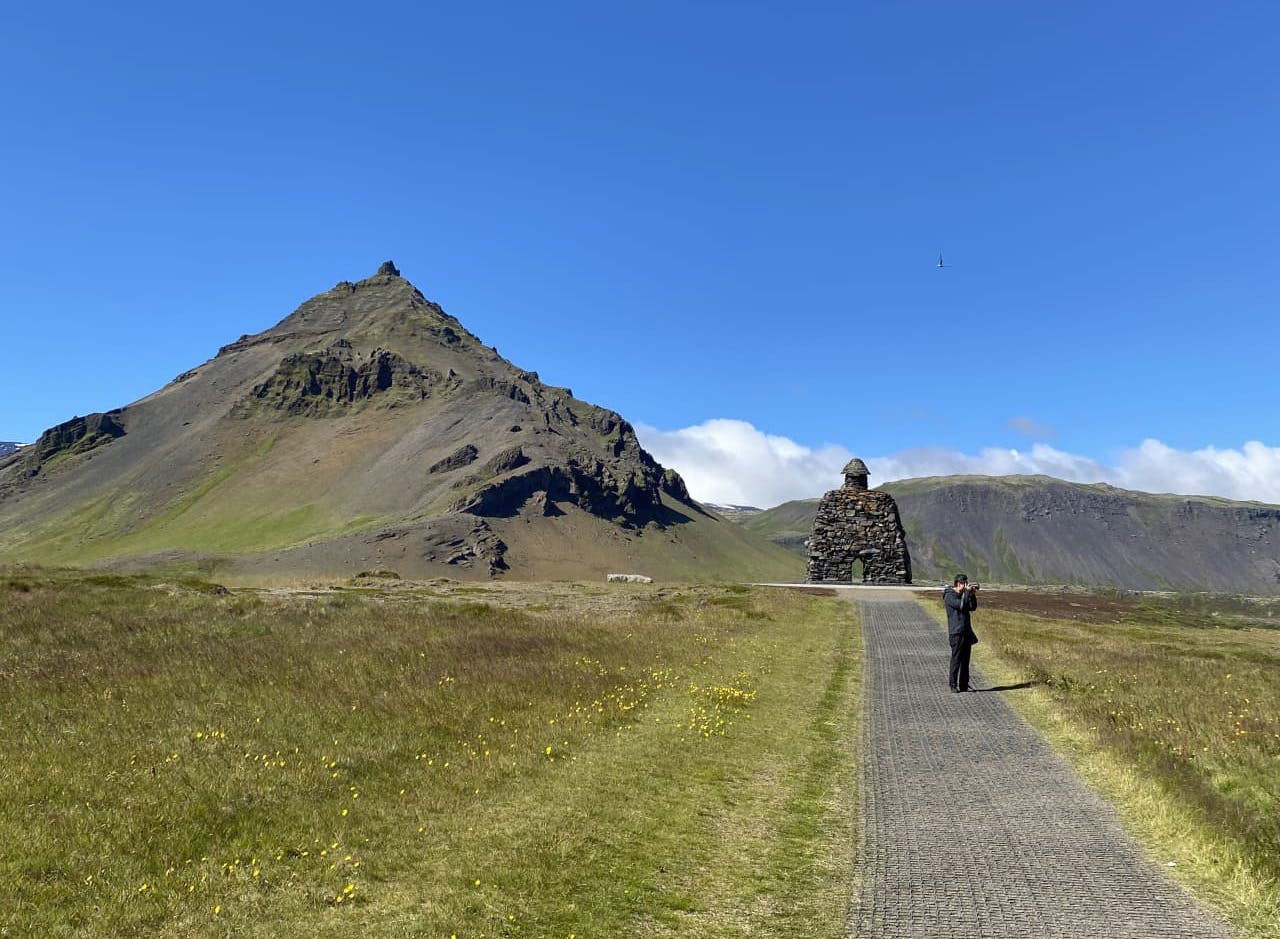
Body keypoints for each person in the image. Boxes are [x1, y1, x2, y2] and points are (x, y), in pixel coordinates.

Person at [943, 574, 979, 692]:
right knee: (956, 659)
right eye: (964, 584)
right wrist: (967, 593)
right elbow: (961, 605)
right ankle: (953, 685)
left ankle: (964, 684)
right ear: (958, 584)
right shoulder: (949, 596)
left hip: (966, 632)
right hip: (956, 632)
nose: (966, 586)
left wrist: (972, 595)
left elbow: (972, 607)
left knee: (965, 661)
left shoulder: (964, 595)